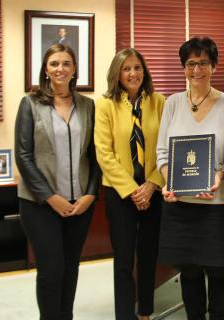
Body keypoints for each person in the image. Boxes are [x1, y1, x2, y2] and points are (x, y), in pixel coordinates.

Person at [156, 37, 224, 320]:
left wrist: (218, 176)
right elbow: (162, 152)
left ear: (214, 66)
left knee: (218, 269)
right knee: (189, 270)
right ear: (184, 68)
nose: (197, 70)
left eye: (203, 63)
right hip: (181, 205)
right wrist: (170, 182)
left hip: (219, 204)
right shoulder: (173, 103)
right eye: (191, 63)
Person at [15, 43, 100, 320]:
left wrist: (90, 195)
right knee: (51, 269)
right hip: (41, 205)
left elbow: (94, 154)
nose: (60, 69)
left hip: (79, 205)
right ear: (46, 69)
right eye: (54, 64)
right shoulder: (30, 103)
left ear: (74, 69)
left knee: (70, 267)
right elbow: (24, 156)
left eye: (66, 63)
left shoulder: (88, 105)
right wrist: (51, 197)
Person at [95, 48, 166, 320]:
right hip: (120, 193)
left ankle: (145, 311)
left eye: (137, 67)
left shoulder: (159, 102)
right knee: (124, 259)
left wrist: (152, 184)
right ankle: (124, 314)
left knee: (148, 255)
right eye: (126, 69)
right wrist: (132, 190)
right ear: (117, 73)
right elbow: (104, 152)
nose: (133, 73)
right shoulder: (105, 105)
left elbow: (166, 146)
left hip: (153, 190)